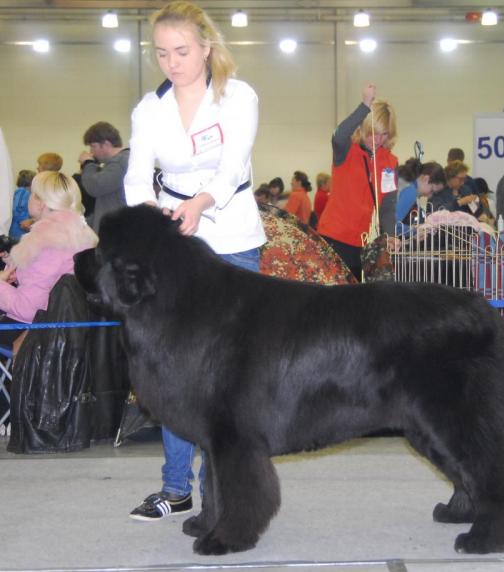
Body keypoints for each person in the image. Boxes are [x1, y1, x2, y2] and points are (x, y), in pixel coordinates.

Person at [123, 0, 266, 521]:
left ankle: (224, 491)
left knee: (231, 376)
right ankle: (174, 487)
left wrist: (199, 205)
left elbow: (231, 171)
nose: (172, 61)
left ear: (207, 46)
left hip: (231, 234)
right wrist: (154, 212)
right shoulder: (148, 109)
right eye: (161, 53)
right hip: (174, 246)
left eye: (182, 50)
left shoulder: (239, 97)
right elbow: (137, 176)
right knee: (172, 369)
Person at [0, 171, 98, 348]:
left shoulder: (46, 241)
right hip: (68, 329)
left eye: (32, 193)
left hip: (34, 331)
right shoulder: (82, 234)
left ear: (41, 203)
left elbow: (27, 309)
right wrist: (14, 265)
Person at [317, 83, 398, 280]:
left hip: (366, 244)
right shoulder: (346, 150)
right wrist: (364, 105)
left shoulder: (390, 162)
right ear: (363, 127)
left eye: (384, 134)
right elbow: (339, 136)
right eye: (373, 132)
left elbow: (387, 206)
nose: (377, 139)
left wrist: (389, 236)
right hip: (335, 238)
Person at [78, 121, 130, 231]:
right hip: (113, 229)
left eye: (93, 146)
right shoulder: (116, 163)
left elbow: (95, 187)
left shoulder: (120, 162)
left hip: (117, 233)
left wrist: (88, 163)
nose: (91, 152)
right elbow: (106, 203)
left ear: (106, 144)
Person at [395, 161, 446, 225]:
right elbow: (393, 225)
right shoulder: (411, 192)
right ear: (426, 179)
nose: (430, 196)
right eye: (432, 190)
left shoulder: (408, 183)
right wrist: (417, 231)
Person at [9, 170, 35, 239]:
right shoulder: (23, 192)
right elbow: (17, 209)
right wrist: (23, 222)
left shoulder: (24, 192)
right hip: (18, 229)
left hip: (21, 228)